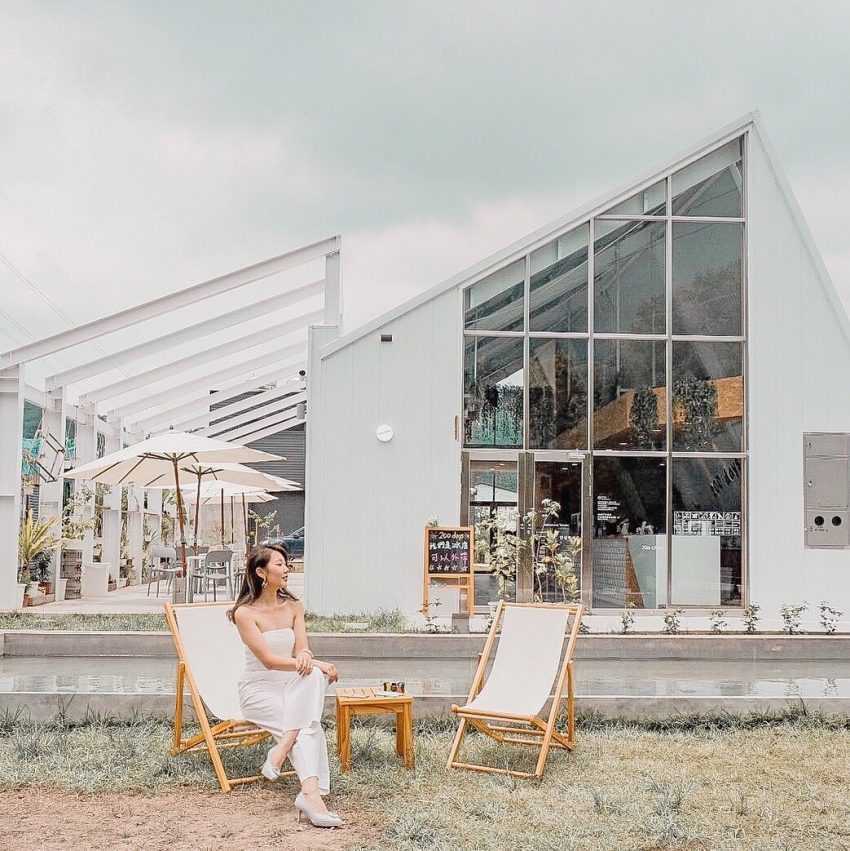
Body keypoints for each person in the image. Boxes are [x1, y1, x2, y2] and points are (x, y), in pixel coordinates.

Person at [228, 544, 343, 828]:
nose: (286, 569)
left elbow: (302, 650)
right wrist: (316, 664)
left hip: (291, 685)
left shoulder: (293, 607)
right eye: (280, 564)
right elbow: (268, 661)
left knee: (314, 677)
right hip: (259, 688)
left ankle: (281, 752)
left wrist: (309, 659)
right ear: (260, 572)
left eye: (286, 564)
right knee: (306, 725)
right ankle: (311, 797)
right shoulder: (245, 613)